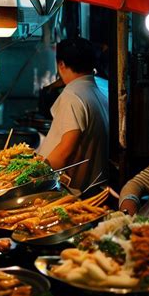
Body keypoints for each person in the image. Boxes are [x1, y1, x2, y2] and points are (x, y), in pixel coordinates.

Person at [38, 38, 109, 191]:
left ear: (61, 64)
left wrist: (34, 176)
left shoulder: (72, 96)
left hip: (72, 192)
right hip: (91, 188)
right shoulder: (101, 91)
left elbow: (66, 150)